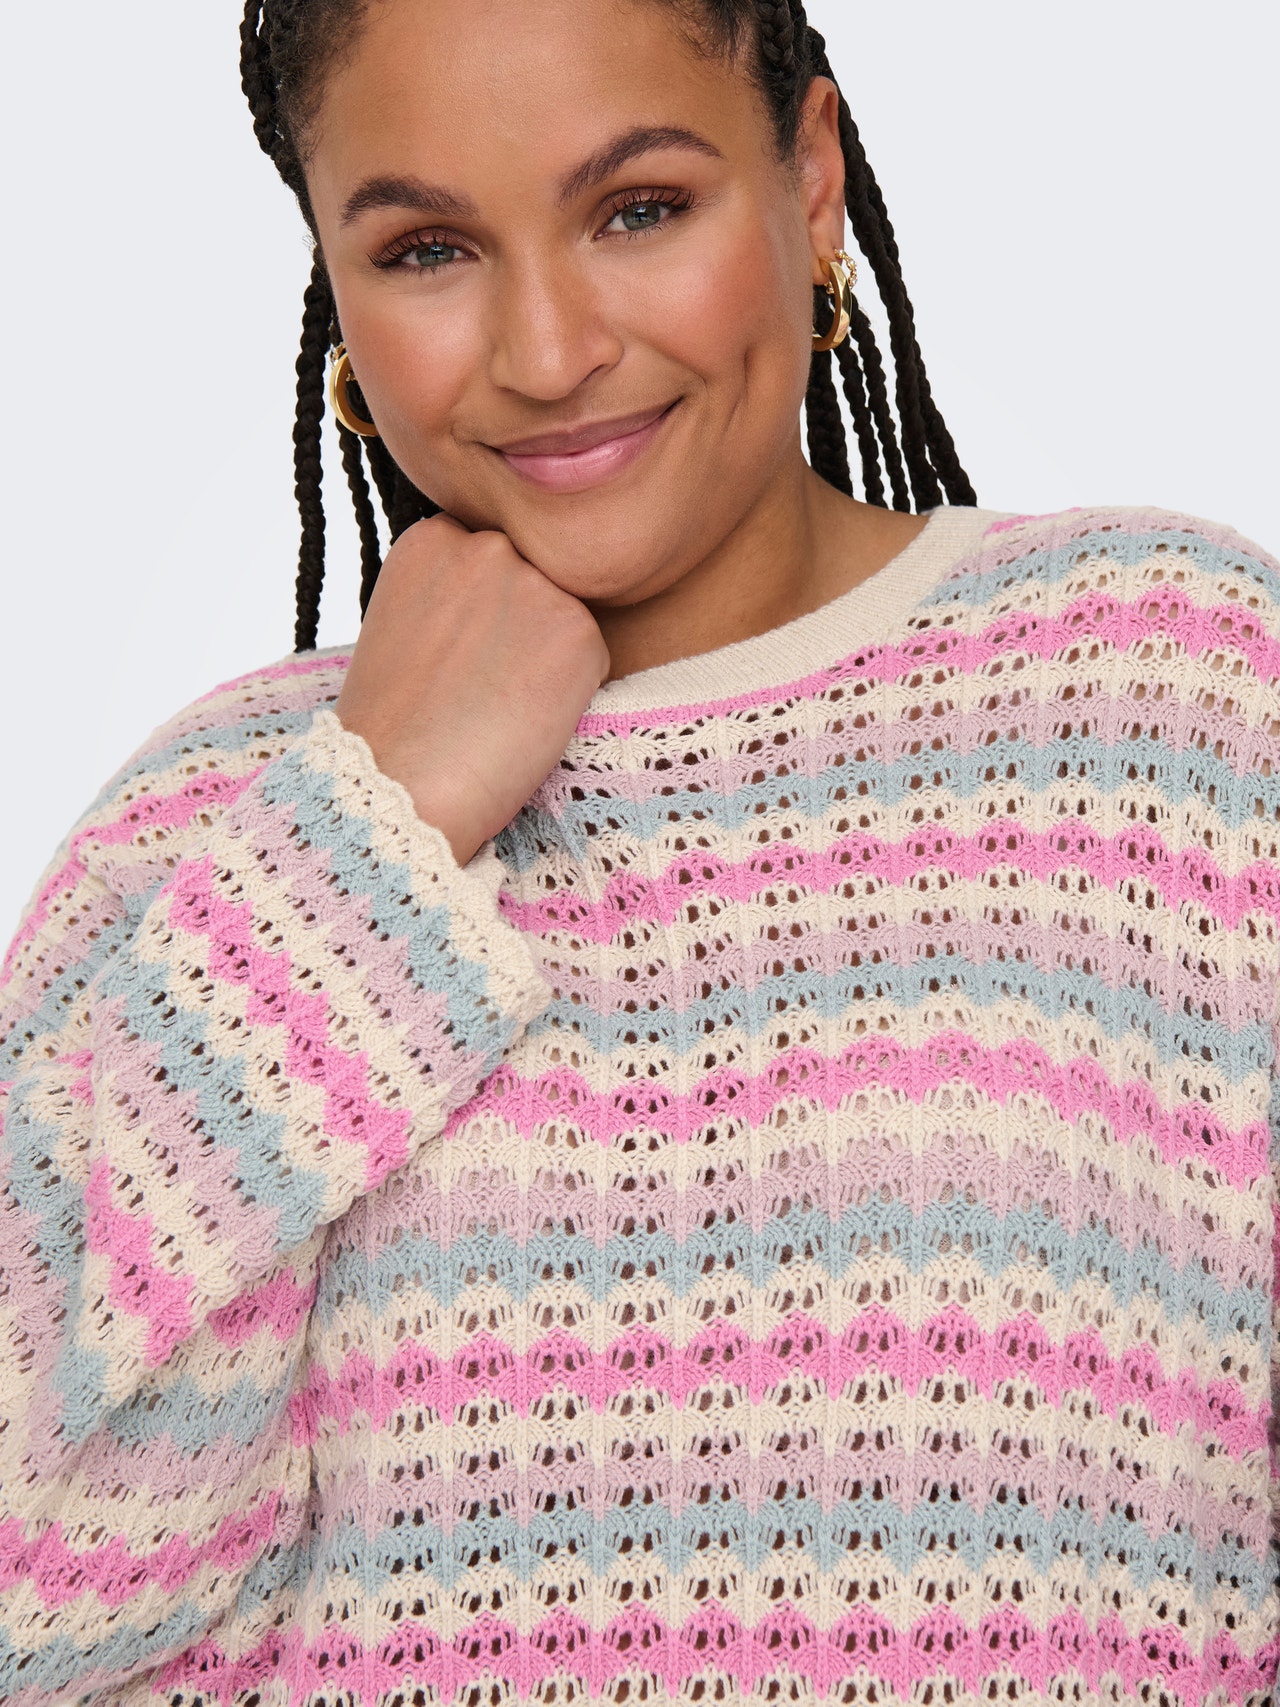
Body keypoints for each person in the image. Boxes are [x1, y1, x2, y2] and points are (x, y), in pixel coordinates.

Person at [0, 1, 1276, 1703]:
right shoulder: (214, 827)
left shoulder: (1178, 696)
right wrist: (373, 831)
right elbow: (39, 1609)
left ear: (809, 181)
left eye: (639, 210)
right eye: (428, 248)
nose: (545, 351)